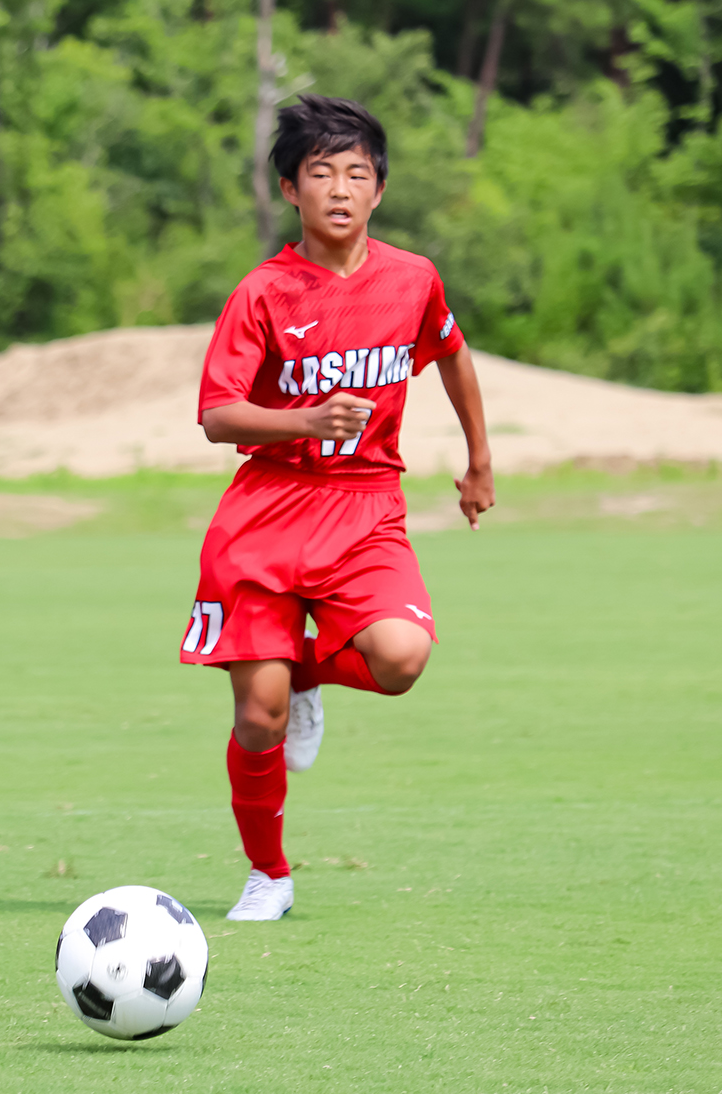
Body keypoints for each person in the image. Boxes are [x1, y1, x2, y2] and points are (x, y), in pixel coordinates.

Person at [182, 95, 495, 923]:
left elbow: (454, 358)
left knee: (400, 659)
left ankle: (305, 671)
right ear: (291, 188)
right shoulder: (264, 291)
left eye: (356, 172)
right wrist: (303, 421)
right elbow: (216, 414)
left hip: (366, 509)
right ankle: (269, 874)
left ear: (380, 189)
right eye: (320, 172)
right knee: (258, 713)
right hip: (267, 512)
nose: (340, 188)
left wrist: (479, 461)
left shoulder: (414, 279)